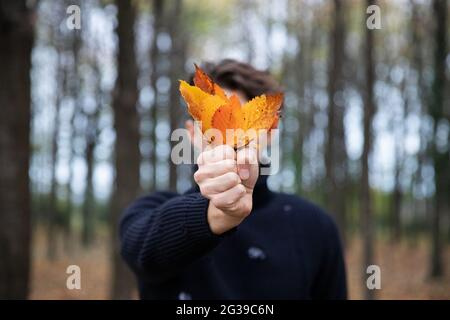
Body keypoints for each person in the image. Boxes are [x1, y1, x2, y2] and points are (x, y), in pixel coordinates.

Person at [119, 59, 347, 299]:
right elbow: (142, 252)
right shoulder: (148, 212)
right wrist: (217, 214)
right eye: (212, 121)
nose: (229, 136)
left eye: (244, 125)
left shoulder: (315, 226)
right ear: (192, 133)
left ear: (270, 132)